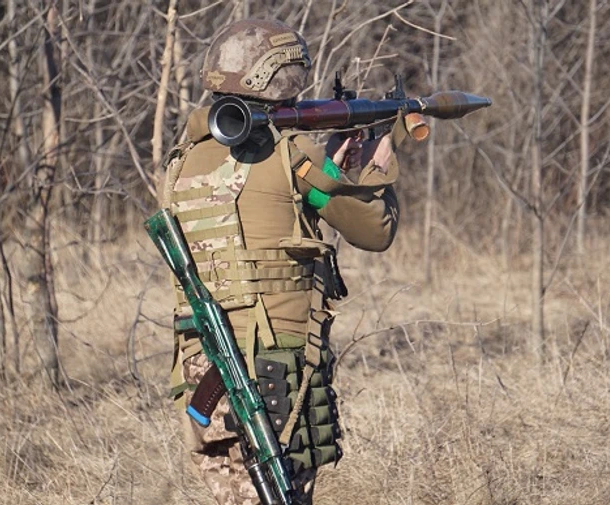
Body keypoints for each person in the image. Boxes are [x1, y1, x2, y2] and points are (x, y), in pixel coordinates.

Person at [161, 18, 419, 505]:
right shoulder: (290, 153)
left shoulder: (182, 158)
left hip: (201, 372)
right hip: (271, 371)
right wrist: (371, 160)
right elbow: (375, 230)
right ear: (282, 77)